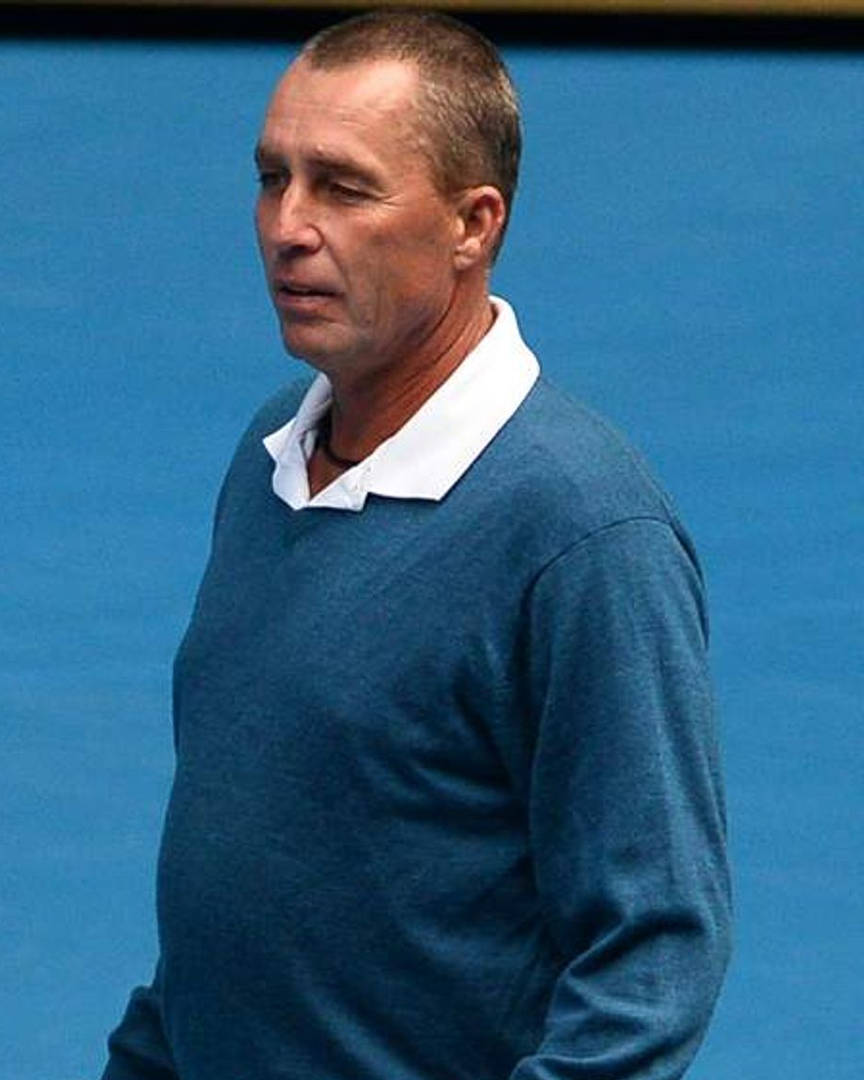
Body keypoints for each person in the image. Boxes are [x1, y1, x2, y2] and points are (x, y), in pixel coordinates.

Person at [102, 10, 730, 1080]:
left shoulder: (584, 532)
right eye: (273, 178)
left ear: (472, 225)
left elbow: (652, 962)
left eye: (343, 188)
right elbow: (246, 883)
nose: (288, 225)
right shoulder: (270, 457)